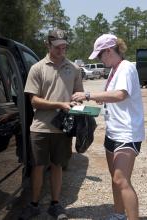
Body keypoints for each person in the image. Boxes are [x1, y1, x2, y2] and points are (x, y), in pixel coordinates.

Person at [72, 34, 145, 220]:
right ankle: (119, 214)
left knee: (121, 180)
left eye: (99, 56)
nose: (99, 59)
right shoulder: (114, 70)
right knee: (115, 179)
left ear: (109, 51)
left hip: (126, 133)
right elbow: (110, 98)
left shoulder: (126, 68)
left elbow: (120, 95)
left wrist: (88, 95)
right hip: (113, 132)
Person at [19, 29, 83, 220]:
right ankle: (34, 204)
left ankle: (55, 205)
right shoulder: (37, 68)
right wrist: (59, 104)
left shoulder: (74, 69)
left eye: (64, 46)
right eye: (57, 47)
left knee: (57, 166)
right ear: (48, 45)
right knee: (38, 166)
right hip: (40, 127)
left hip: (63, 128)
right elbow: (34, 101)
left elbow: (78, 95)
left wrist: (77, 103)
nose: (62, 50)